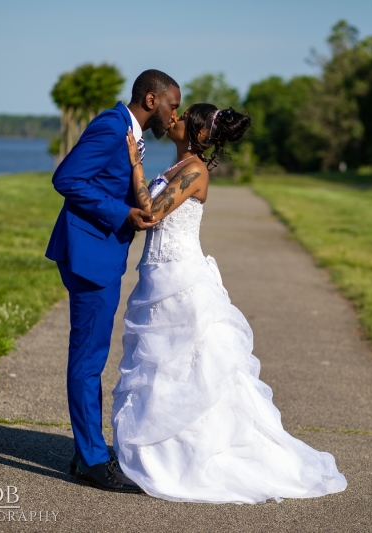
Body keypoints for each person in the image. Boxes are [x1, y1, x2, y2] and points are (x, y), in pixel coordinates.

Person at [112, 103, 348, 503]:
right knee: (159, 369)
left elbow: (150, 214)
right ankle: (158, 455)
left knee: (190, 368)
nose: (175, 118)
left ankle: (197, 458)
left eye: (184, 117)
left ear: (200, 134)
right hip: (157, 279)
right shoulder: (175, 167)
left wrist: (135, 164)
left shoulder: (195, 171)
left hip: (183, 282)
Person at [45, 69, 181, 493]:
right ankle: (90, 459)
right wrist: (120, 213)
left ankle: (87, 450)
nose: (174, 115)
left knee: (92, 356)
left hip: (99, 256)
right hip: (89, 257)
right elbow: (65, 179)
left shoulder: (128, 131)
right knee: (88, 359)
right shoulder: (111, 126)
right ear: (152, 99)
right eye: (172, 105)